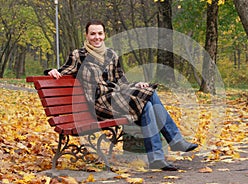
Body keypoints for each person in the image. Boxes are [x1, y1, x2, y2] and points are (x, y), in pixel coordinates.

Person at [45, 19, 198, 171]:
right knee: (148, 97)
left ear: (104, 35)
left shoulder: (112, 54)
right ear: (86, 35)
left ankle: (157, 158)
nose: (96, 37)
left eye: (100, 33)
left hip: (117, 98)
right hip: (100, 104)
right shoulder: (79, 55)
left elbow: (122, 81)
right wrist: (52, 71)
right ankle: (174, 141)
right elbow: (64, 70)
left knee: (148, 101)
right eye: (92, 34)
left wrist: (136, 85)